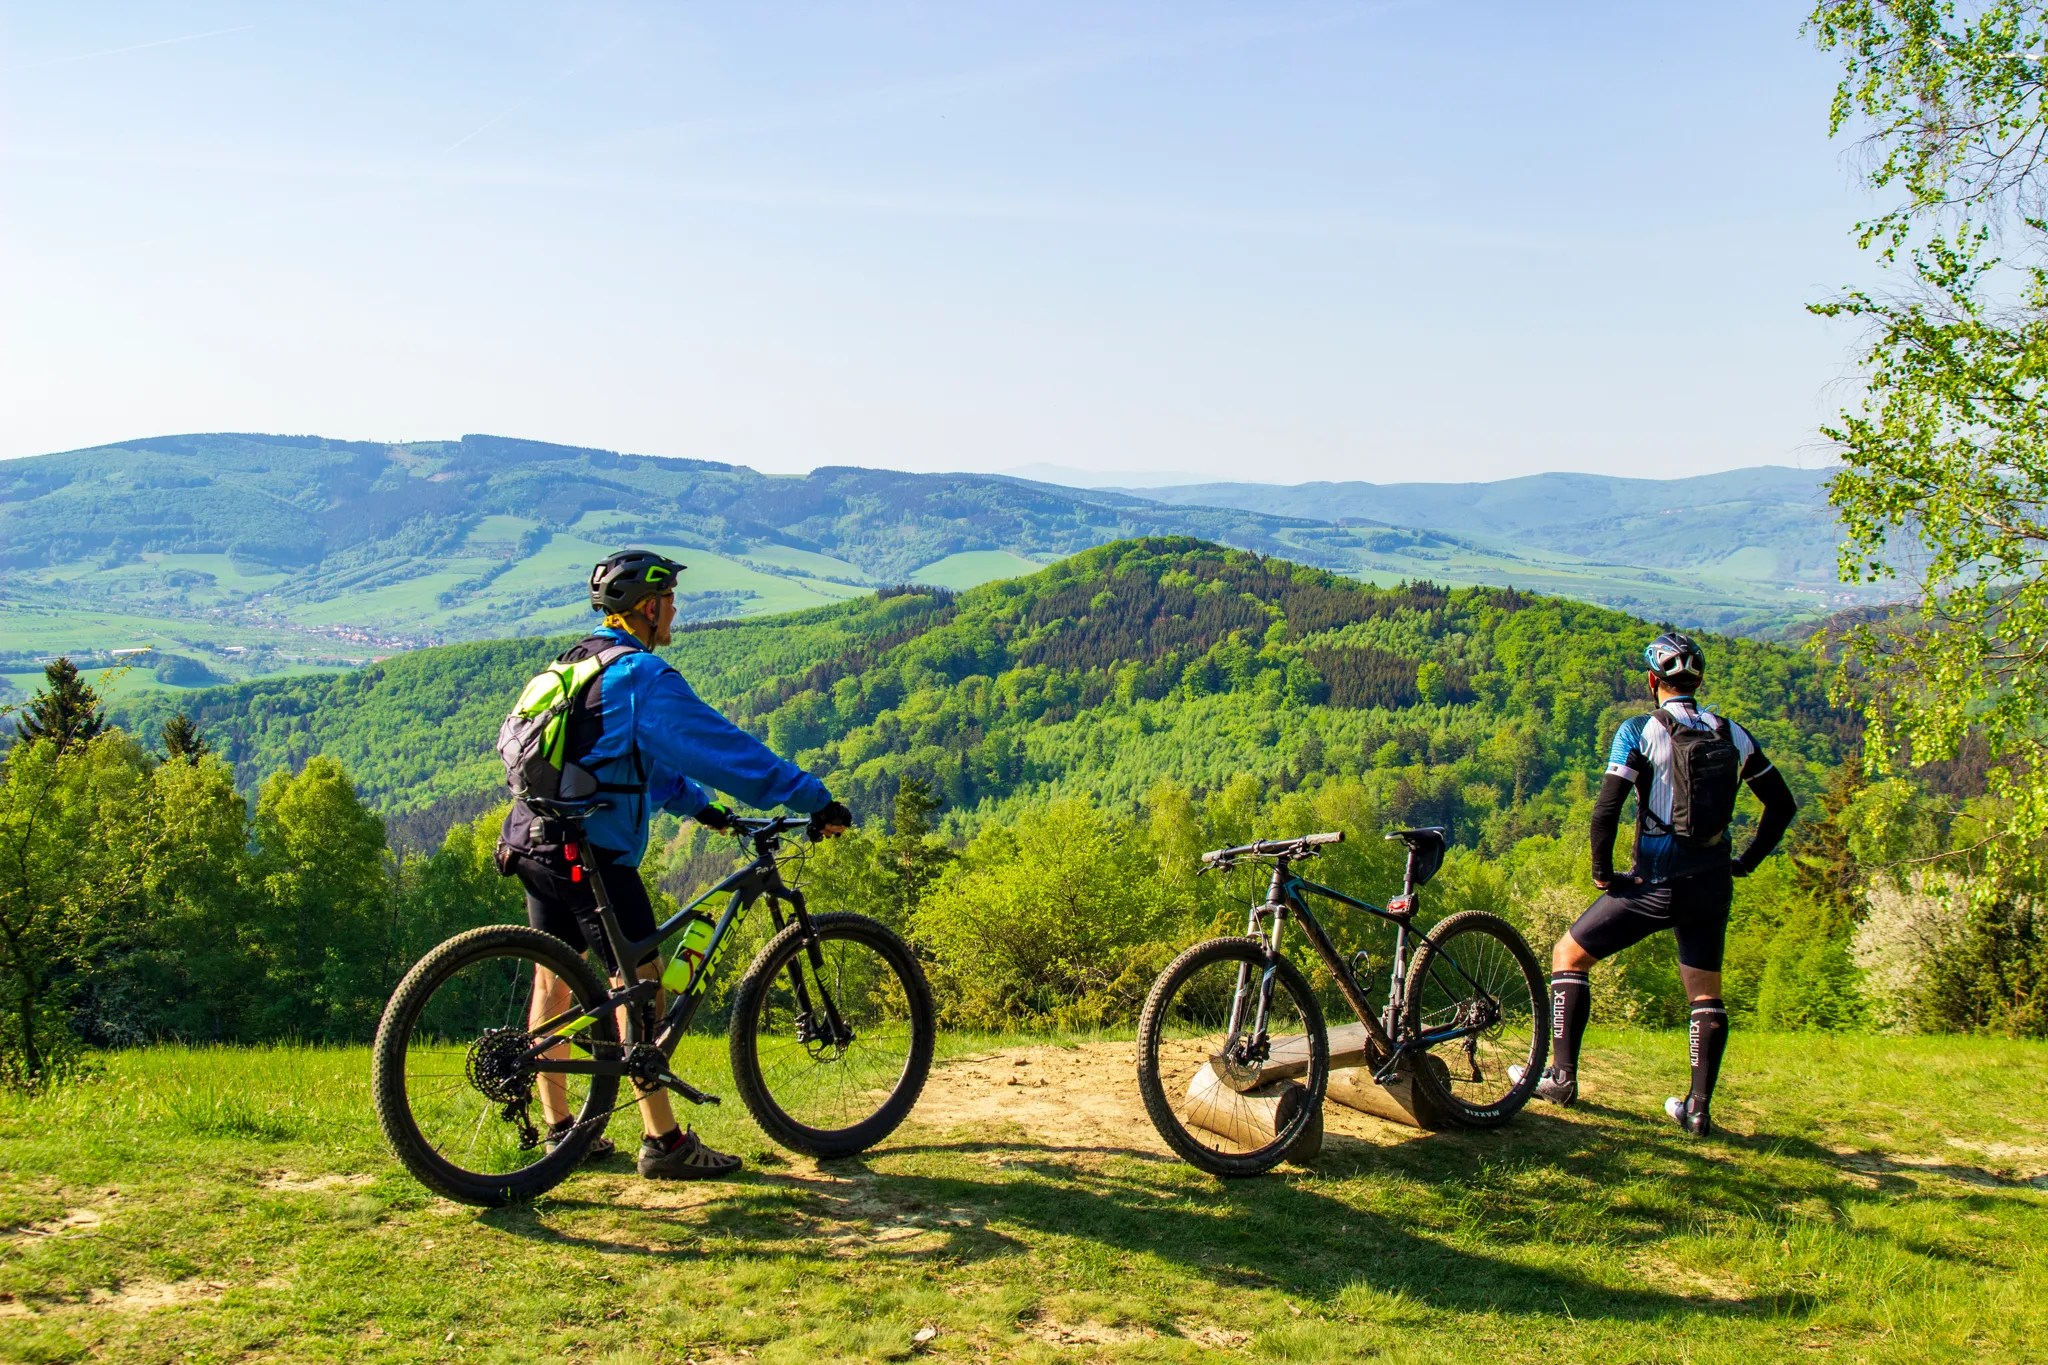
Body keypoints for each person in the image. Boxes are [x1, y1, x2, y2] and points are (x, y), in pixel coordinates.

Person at [496, 550, 853, 1180]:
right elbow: (724, 750)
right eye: (669, 601)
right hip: (591, 850)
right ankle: (664, 1142)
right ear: (647, 607)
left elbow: (633, 763)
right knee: (643, 979)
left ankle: (562, 1131)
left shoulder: (577, 664)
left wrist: (702, 810)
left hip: (532, 837)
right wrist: (811, 796)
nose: (676, 612)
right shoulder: (642, 677)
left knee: (552, 979)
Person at [1518, 632, 1797, 1137]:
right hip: (1711, 883)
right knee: (1705, 995)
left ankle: (1560, 1078)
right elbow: (1782, 805)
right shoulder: (1733, 733)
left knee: (1569, 955)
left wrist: (1603, 872)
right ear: (1699, 679)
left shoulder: (1638, 731)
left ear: (1653, 681)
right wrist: (1747, 861)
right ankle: (1697, 1107)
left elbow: (1606, 810)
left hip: (1654, 881)